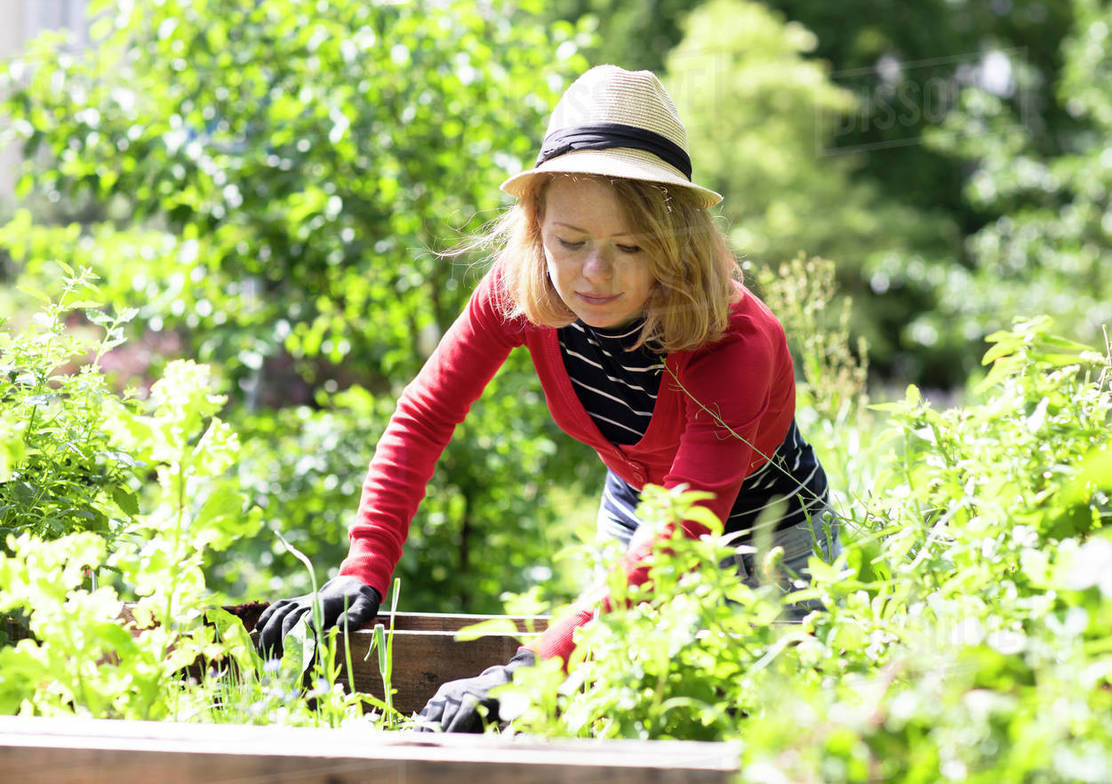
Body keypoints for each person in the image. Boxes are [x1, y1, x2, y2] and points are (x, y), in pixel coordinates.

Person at [256, 65, 839, 732]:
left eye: (630, 245)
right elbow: (423, 419)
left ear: (677, 245)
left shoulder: (737, 339)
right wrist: (364, 567)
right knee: (613, 715)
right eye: (571, 241)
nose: (597, 273)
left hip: (774, 532)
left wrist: (526, 672)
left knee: (771, 737)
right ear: (536, 227)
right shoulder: (518, 290)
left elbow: (683, 536)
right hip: (636, 514)